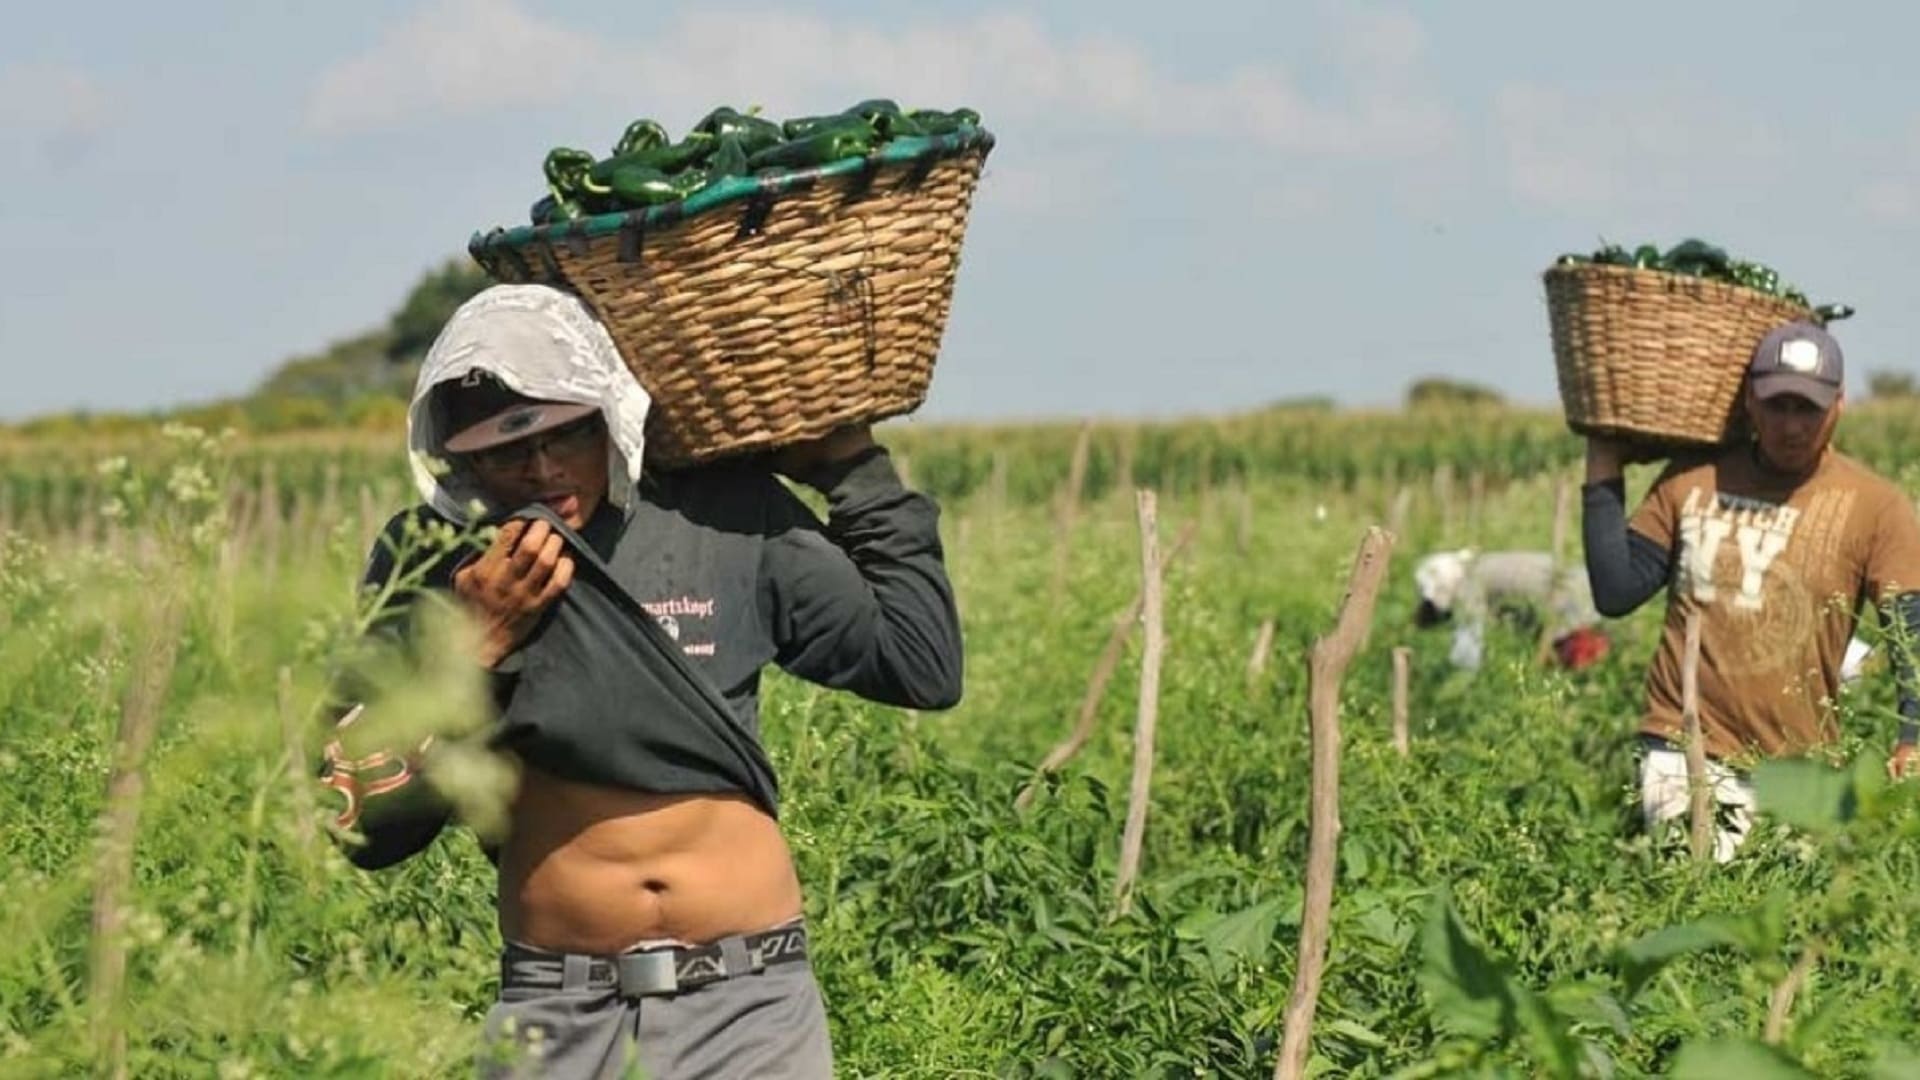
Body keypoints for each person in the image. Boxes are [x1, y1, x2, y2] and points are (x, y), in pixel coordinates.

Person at [317, 283, 965, 1078]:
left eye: (569, 436)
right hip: (557, 1010)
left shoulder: (717, 516)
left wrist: (852, 469)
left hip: (750, 1000)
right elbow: (357, 816)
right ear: (459, 460)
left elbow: (918, 663)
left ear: (610, 418)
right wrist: (473, 645)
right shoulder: (432, 559)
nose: (545, 469)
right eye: (507, 453)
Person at [1581, 319, 1920, 861]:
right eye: (1778, 404)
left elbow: (1912, 626)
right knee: (1699, 904)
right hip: (1683, 746)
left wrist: (1914, 734)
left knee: (1784, 935)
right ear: (1749, 403)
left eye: (1808, 407)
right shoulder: (1692, 480)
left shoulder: (1875, 506)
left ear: (1839, 404)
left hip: (1803, 770)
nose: (1792, 425)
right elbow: (1616, 592)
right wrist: (1602, 469)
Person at [1412, 547, 1610, 672]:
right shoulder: (1482, 564)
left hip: (1570, 604)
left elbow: (1468, 650)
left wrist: (1454, 680)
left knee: (1575, 668)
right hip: (1587, 587)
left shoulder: (1469, 583)